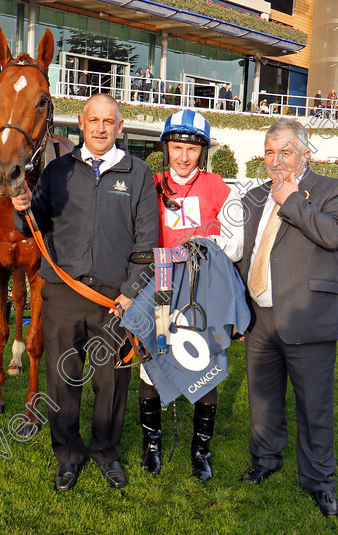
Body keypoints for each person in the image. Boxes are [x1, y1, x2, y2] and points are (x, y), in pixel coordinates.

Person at [11, 93, 159, 492]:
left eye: (109, 122)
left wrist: (130, 293)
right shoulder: (58, 171)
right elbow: (31, 225)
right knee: (63, 380)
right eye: (93, 120)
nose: (100, 128)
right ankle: (68, 456)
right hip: (62, 292)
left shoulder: (139, 173)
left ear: (120, 128)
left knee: (112, 382)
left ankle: (106, 453)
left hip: (114, 299)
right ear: (81, 123)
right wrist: (21, 203)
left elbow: (148, 243)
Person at [236, 118, 338, 518]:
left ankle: (320, 481)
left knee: (314, 407)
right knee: (263, 401)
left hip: (308, 318)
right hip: (260, 319)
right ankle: (266, 460)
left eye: (285, 151)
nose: (276, 160)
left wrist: (291, 199)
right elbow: (245, 252)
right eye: (269, 152)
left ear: (305, 153)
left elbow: (332, 234)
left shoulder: (331, 189)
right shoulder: (253, 196)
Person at [139, 109, 243, 481]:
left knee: (206, 370)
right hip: (164, 289)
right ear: (166, 148)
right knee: (151, 367)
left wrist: (204, 243)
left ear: (203, 151)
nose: (184, 156)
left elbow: (235, 244)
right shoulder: (149, 184)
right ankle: (152, 445)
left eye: (192, 149)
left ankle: (201, 451)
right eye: (177, 147)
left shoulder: (219, 188)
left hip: (204, 292)